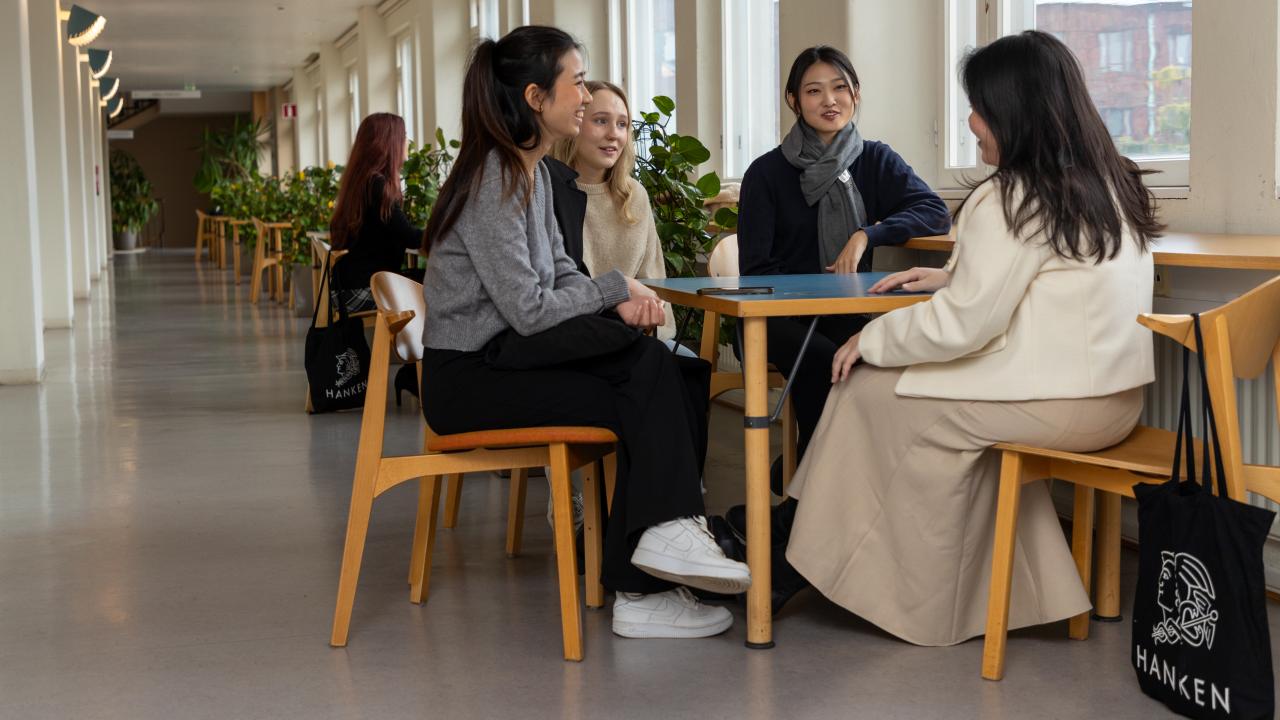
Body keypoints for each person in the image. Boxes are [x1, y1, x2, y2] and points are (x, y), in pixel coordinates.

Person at [781, 30, 1160, 645]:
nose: (972, 122)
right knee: (891, 398)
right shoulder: (1110, 183)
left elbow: (963, 325)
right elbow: (1048, 279)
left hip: (1055, 405)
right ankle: (807, 541)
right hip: (1115, 402)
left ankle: (815, 557)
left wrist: (871, 339)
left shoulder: (1013, 195)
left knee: (864, 389)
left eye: (979, 108)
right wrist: (950, 276)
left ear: (1014, 112)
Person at [418, 26, 749, 640]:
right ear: (537, 97)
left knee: (672, 371)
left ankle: (662, 549)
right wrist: (616, 289)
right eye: (576, 82)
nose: (585, 94)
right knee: (645, 373)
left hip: (509, 358)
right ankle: (650, 568)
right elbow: (528, 309)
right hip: (470, 379)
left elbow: (563, 271)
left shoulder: (535, 175)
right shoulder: (494, 179)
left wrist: (613, 296)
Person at [733, 46, 951, 502]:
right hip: (773, 319)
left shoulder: (873, 160)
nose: (830, 100)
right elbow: (756, 271)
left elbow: (933, 211)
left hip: (844, 312)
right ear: (793, 100)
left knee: (863, 365)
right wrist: (811, 298)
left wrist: (866, 234)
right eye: (814, 91)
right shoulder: (766, 173)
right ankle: (810, 500)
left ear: (855, 93)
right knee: (829, 363)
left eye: (839, 88)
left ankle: (806, 485)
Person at [327, 112, 422, 314]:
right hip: (360, 290)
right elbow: (411, 237)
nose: (407, 142)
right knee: (436, 286)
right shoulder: (377, 186)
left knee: (427, 281)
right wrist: (449, 230)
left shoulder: (364, 181)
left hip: (349, 285)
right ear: (389, 143)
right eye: (404, 136)